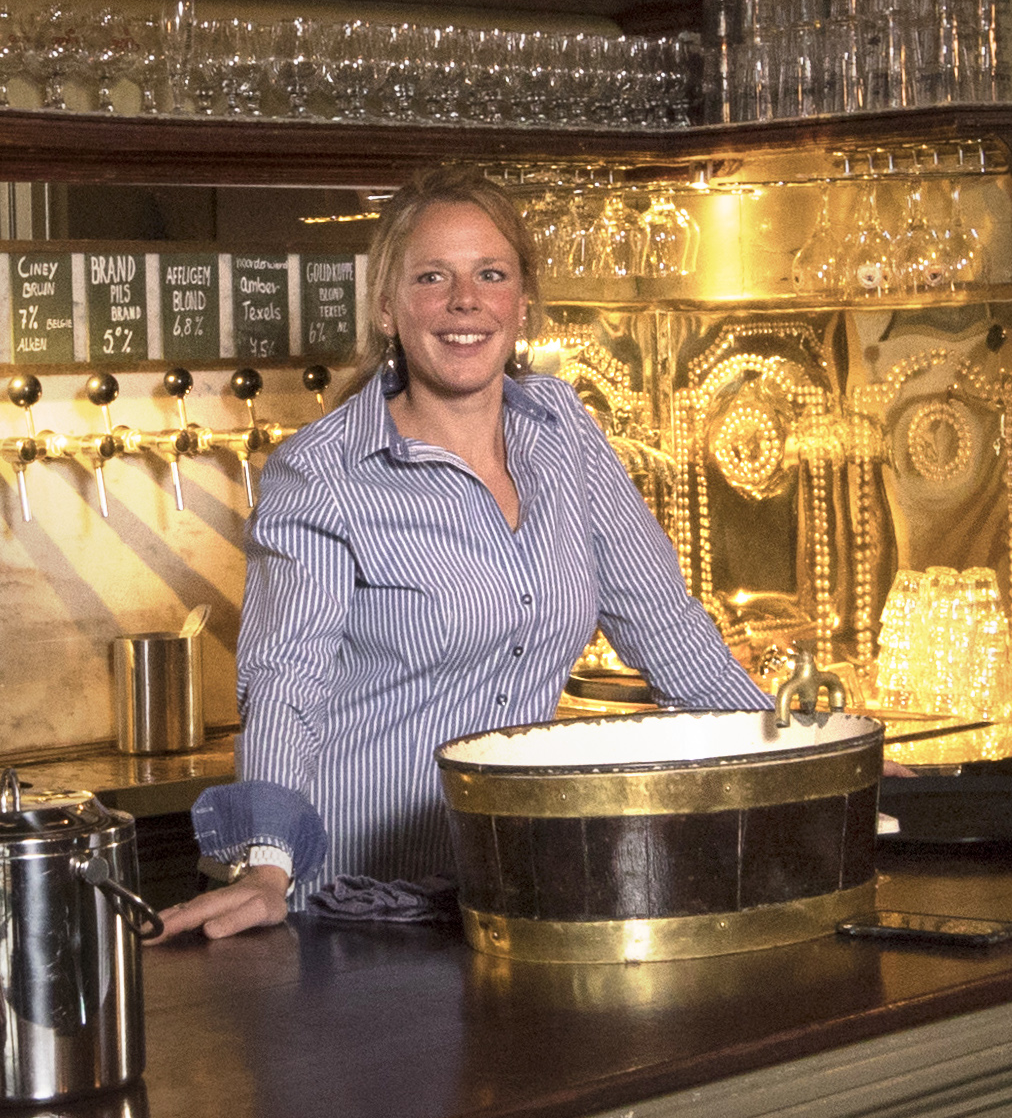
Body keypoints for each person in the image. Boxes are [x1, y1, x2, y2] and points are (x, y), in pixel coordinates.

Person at [158, 170, 770, 937]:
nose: (464, 300)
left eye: (490, 273)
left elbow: (663, 624)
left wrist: (803, 760)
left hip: (509, 888)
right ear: (387, 307)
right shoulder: (323, 472)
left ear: (521, 302)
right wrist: (268, 863)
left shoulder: (561, 430)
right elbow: (286, 682)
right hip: (355, 909)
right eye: (430, 277)